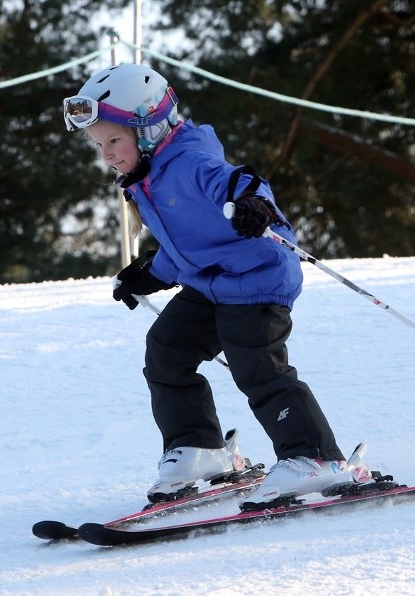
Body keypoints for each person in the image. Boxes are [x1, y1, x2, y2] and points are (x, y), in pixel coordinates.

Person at [63, 63, 369, 509]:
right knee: (167, 349)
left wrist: (252, 205)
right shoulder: (145, 179)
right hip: (211, 285)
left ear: (149, 128)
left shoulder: (189, 161)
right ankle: (200, 449)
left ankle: (314, 456)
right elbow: (188, 246)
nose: (107, 153)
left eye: (114, 140)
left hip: (255, 282)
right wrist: (147, 274)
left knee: (255, 366)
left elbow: (245, 182)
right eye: (98, 145)